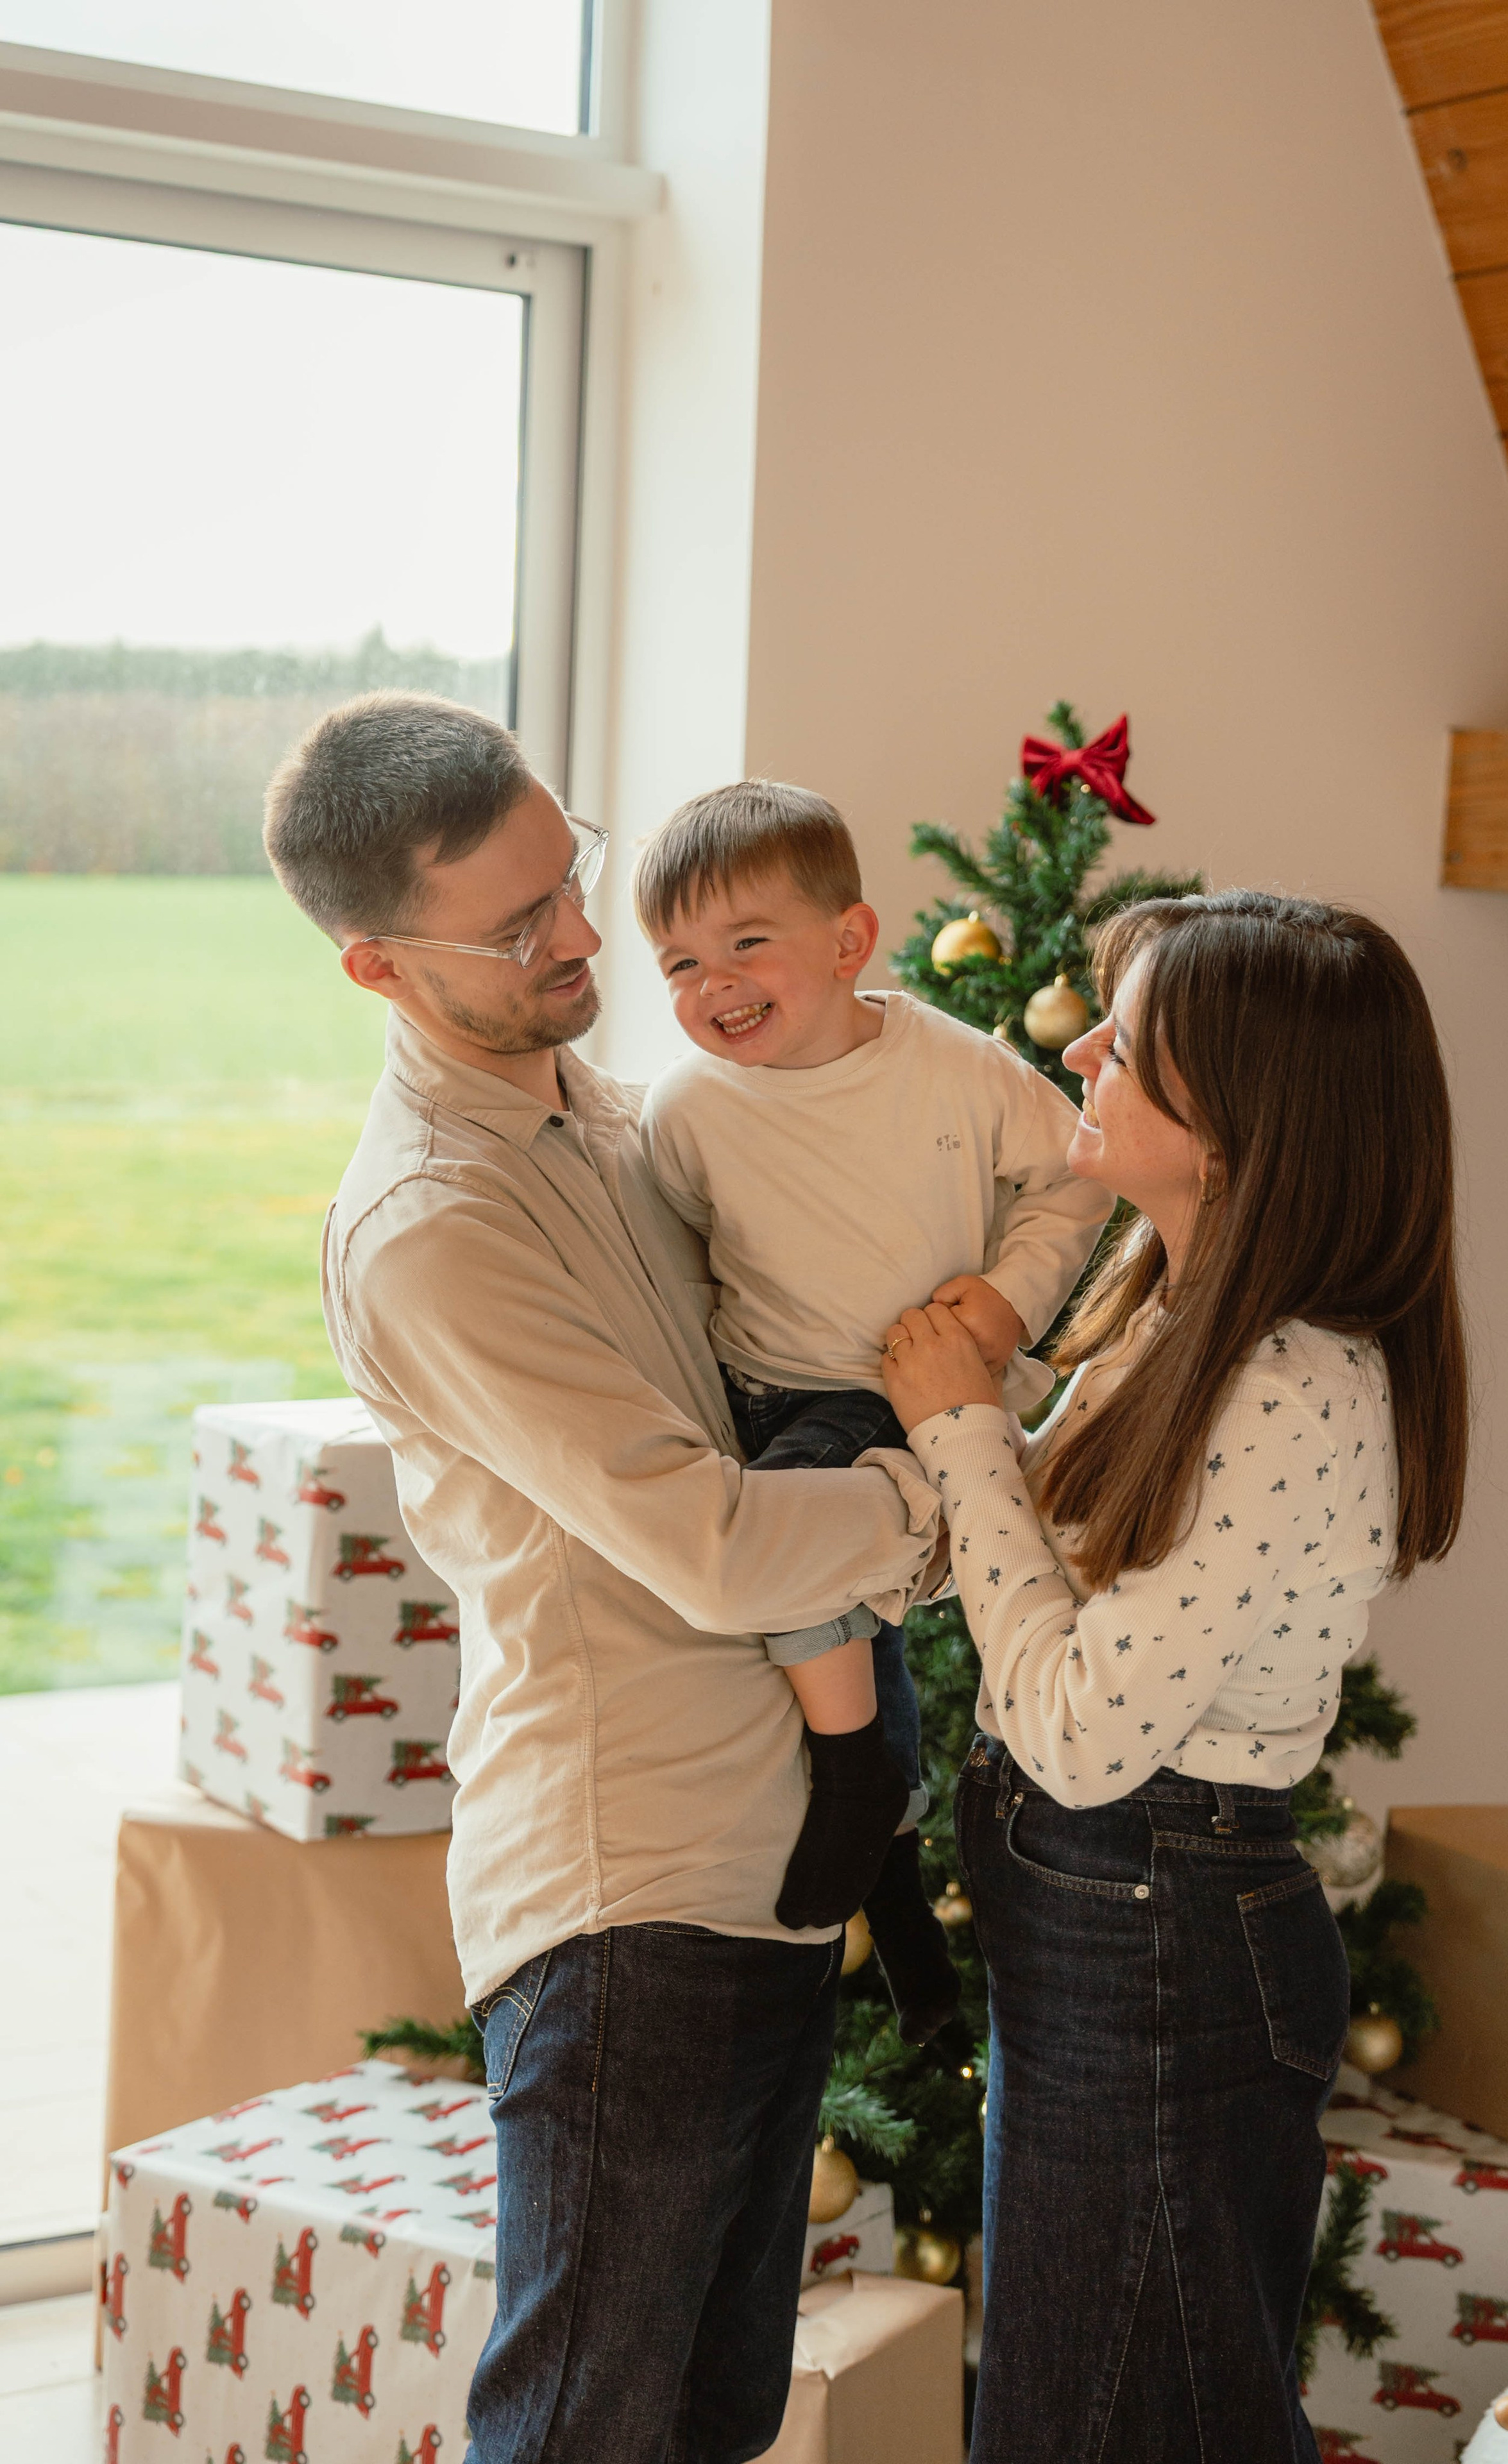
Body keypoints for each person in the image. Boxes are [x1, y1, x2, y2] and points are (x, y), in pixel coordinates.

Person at [261, 692, 943, 2464]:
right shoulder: (435, 1228)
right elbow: (715, 1544)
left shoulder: (628, 1124)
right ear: (376, 970)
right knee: (590, 2428)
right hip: (628, 1890)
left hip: (766, 1860)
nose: (581, 935)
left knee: (707, 2415)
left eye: (569, 876)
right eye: (516, 926)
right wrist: (955, 1500)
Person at [878, 888, 1469, 2464]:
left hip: (1154, 1928)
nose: (1077, 1051)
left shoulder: (1293, 1385)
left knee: (1121, 2421)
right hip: (1103, 1920)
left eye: (1126, 1047)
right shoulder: (1161, 1292)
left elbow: (1077, 1733)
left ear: (1238, 1126)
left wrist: (962, 1433)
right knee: (1096, 2407)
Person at [634, 778, 1112, 2041]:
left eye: (746, 943)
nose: (711, 982)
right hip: (760, 1385)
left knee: (789, 1553)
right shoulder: (683, 1112)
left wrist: (1005, 1306)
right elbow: (672, 1262)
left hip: (896, 1386)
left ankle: (854, 1779)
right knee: (856, 1648)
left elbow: (1069, 1181)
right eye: (677, 960)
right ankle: (910, 1945)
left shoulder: (949, 1069)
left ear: (849, 942)